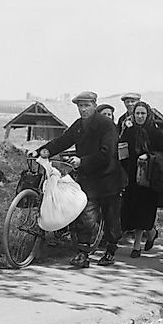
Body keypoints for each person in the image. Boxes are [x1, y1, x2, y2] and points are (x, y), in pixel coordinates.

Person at [35, 91, 125, 268]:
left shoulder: (107, 125)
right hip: (89, 179)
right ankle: (83, 254)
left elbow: (107, 153)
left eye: (86, 105)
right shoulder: (78, 125)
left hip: (108, 179)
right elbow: (63, 141)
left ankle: (111, 250)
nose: (83, 109)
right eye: (80, 106)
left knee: (111, 216)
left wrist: (82, 161)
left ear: (94, 105)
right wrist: (44, 151)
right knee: (86, 215)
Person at [119, 101, 163, 257]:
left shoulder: (156, 133)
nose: (140, 116)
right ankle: (152, 232)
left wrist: (149, 155)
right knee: (132, 209)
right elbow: (123, 151)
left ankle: (136, 246)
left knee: (144, 210)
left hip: (149, 179)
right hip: (132, 177)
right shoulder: (129, 132)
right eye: (137, 113)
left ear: (148, 115)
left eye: (143, 114)